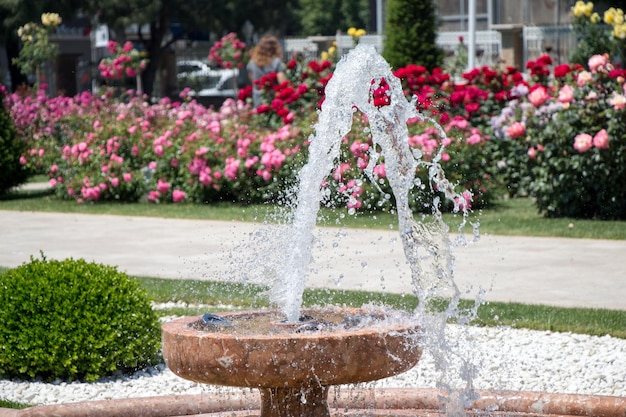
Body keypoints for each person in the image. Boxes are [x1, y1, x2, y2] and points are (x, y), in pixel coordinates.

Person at [246, 35, 287, 106]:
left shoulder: (252, 63)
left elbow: (253, 82)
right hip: (274, 100)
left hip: (258, 100)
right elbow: (283, 84)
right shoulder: (276, 62)